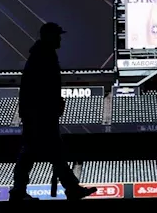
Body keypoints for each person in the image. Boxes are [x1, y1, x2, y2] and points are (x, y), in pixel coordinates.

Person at [10, 22, 97, 201]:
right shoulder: (43, 55)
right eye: (57, 35)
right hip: (39, 114)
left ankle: (69, 187)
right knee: (35, 152)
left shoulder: (42, 54)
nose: (60, 39)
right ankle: (19, 191)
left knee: (49, 152)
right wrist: (50, 106)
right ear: (49, 36)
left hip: (39, 113)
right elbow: (41, 88)